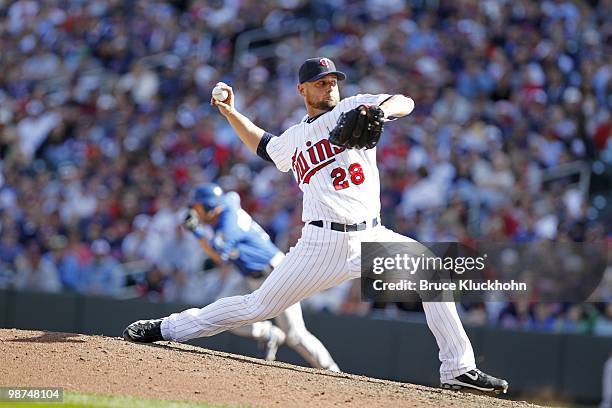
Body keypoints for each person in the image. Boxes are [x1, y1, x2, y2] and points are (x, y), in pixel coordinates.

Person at [124, 57, 508, 393]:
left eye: (333, 81)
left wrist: (382, 112)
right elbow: (263, 144)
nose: (330, 87)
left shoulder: (355, 107)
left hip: (370, 235)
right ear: (302, 89)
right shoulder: (295, 138)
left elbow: (404, 101)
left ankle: (458, 368)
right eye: (321, 83)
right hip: (320, 243)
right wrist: (229, 112)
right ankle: (167, 328)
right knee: (257, 306)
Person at [124, 183, 339, 371]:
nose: (194, 211)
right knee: (226, 315)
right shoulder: (224, 206)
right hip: (250, 275)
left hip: (276, 273)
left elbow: (219, 258)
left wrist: (198, 233)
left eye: (198, 207)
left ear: (209, 206)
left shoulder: (227, 222)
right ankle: (267, 333)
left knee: (295, 335)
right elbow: (231, 197)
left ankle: (332, 371)